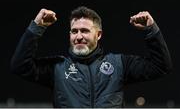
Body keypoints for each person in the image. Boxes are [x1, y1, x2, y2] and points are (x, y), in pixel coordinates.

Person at [10, 6, 173, 108]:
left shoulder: (118, 64)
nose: (79, 36)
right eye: (74, 31)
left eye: (85, 31)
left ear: (99, 34)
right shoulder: (58, 67)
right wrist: (36, 27)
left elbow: (161, 66)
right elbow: (19, 66)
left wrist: (151, 30)